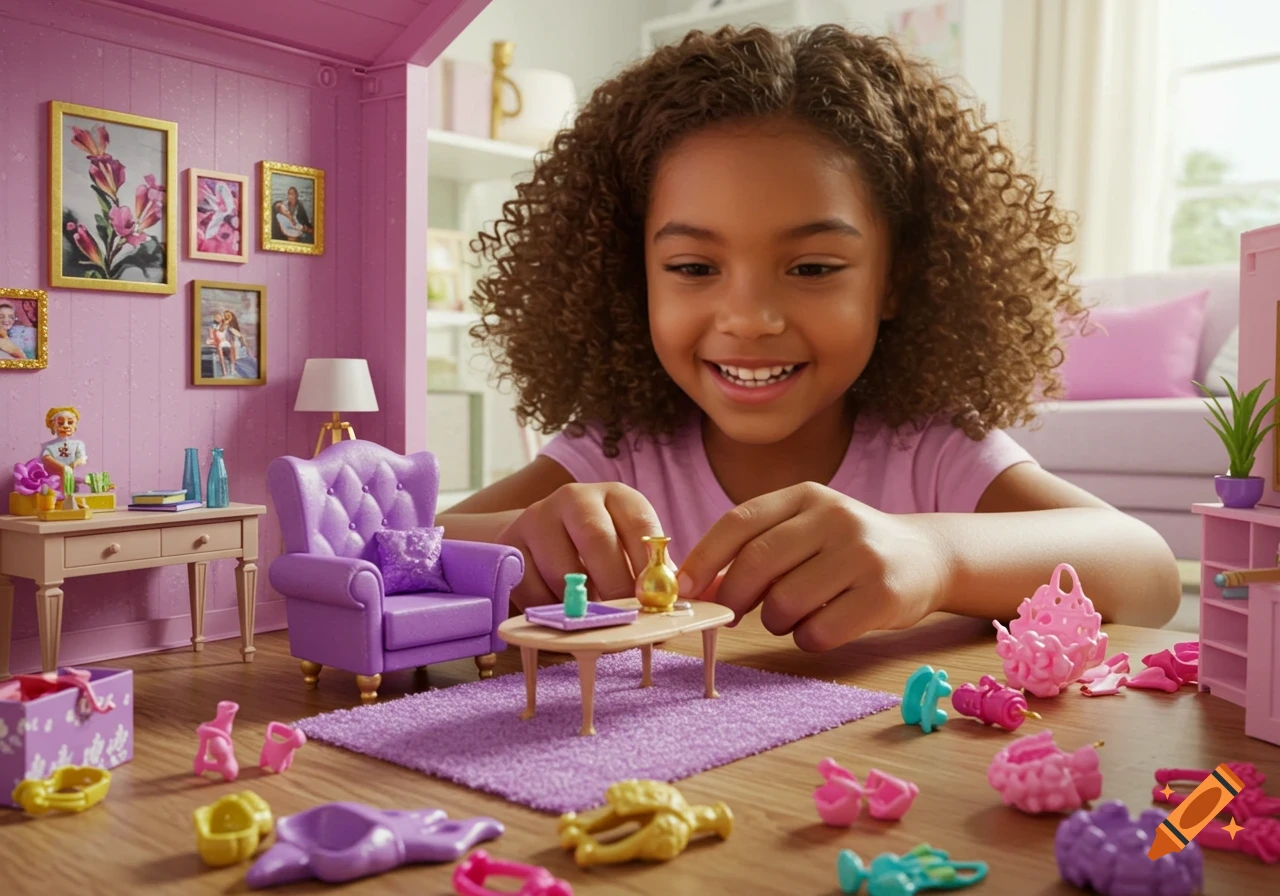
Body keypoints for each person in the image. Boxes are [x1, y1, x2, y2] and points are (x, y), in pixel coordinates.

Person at [437, 25, 1182, 651]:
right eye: (694, 266)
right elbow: (381, 559)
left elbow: (1148, 574)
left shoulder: (929, 453)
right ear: (634, 280)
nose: (751, 317)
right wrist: (516, 536)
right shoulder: (613, 452)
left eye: (814, 266)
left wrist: (936, 557)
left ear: (895, 280)